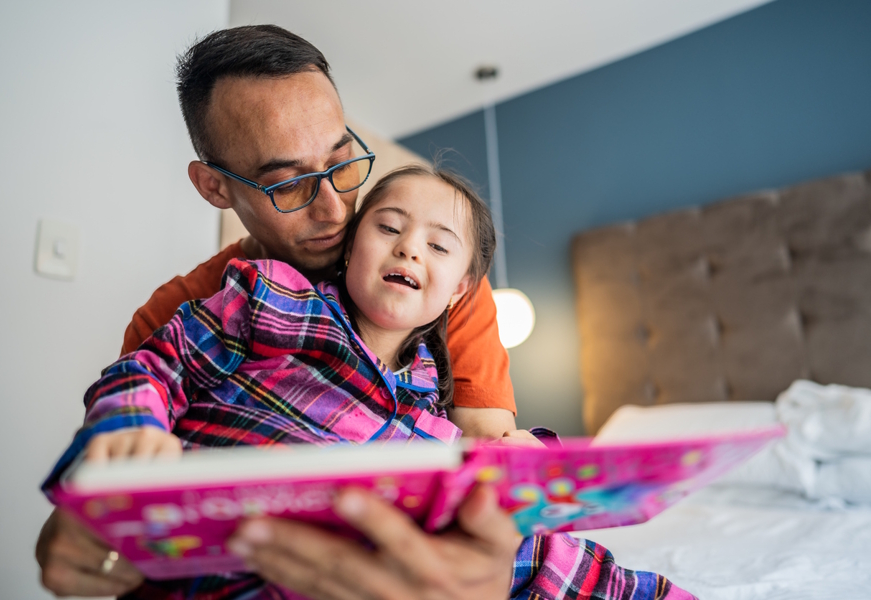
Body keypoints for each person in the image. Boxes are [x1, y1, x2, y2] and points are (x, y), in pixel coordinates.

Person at [36, 25, 695, 600]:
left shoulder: (438, 290)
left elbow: (492, 477)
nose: (333, 208)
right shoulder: (200, 308)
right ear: (215, 185)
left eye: (343, 160)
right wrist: (72, 538)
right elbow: (114, 473)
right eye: (288, 181)